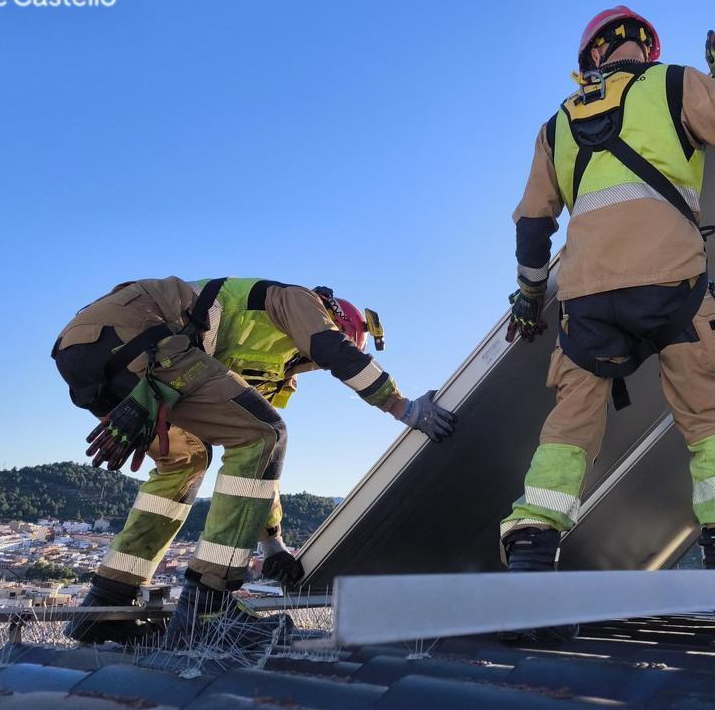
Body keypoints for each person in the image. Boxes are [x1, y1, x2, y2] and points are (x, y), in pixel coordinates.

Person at [499, 6, 715, 599]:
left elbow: (532, 226)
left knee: (570, 424)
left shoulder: (557, 124)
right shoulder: (676, 81)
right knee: (708, 417)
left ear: (591, 61)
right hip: (674, 287)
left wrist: (529, 300)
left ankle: (531, 549)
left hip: (587, 299)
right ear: (646, 50)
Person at [52, 277, 456, 646]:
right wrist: (402, 407)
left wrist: (271, 542)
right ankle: (206, 609)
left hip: (92, 351)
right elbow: (330, 352)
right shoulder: (297, 301)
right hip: (136, 334)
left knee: (188, 460)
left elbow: (260, 463)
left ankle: (107, 604)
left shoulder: (274, 372)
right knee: (265, 432)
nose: (308, 364)